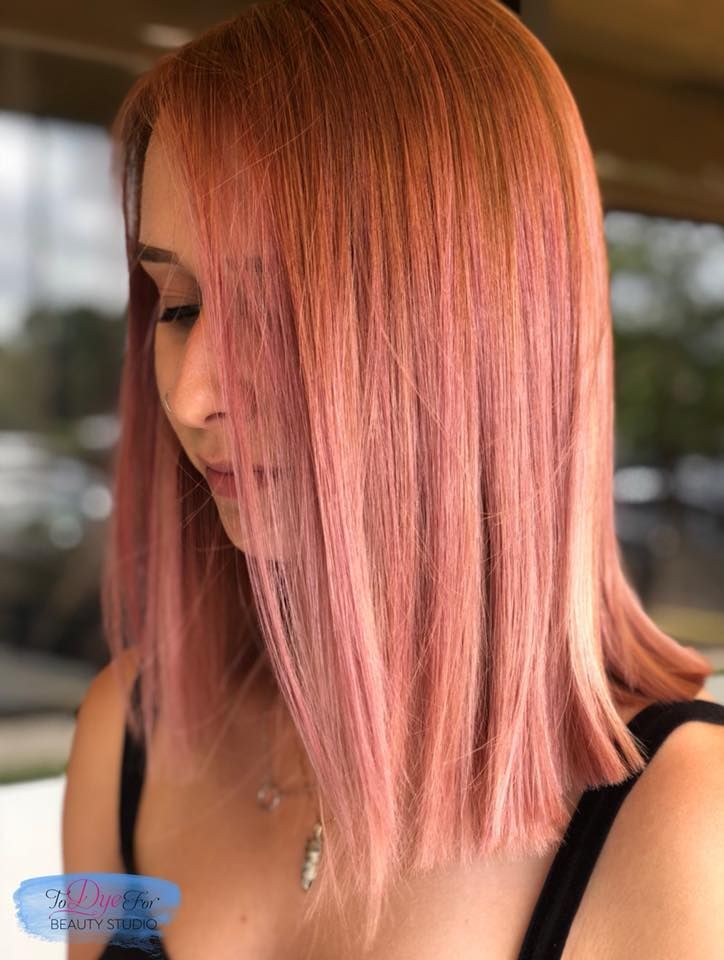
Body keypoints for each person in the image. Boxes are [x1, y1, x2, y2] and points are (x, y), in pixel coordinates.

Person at [62, 1, 724, 958]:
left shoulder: (684, 827)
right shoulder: (123, 738)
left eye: (283, 308)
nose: (197, 391)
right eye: (179, 304)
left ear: (477, 339)